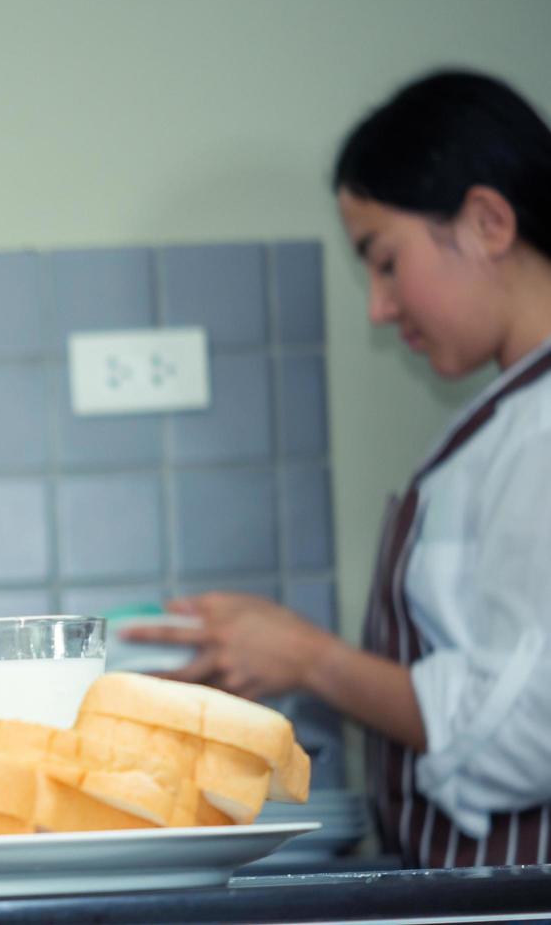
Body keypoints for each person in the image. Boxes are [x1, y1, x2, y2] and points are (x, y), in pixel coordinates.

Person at [127, 70, 551, 868]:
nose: (379, 309)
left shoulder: (544, 425)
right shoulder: (515, 416)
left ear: (489, 222)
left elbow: (533, 724)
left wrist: (312, 659)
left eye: (384, 261)